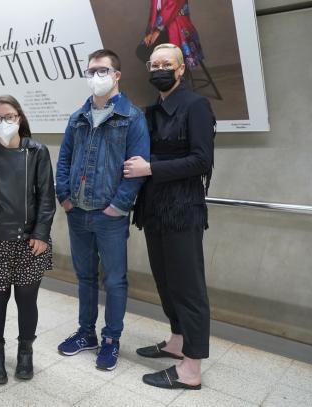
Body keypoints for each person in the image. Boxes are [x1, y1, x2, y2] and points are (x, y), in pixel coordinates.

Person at [125, 43, 215, 390]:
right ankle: (178, 341)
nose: (159, 68)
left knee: (189, 288)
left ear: (181, 69)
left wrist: (152, 167)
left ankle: (191, 370)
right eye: (154, 63)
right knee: (165, 281)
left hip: (183, 210)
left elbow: (201, 160)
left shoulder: (196, 106)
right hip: (154, 210)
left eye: (167, 63)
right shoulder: (150, 111)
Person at [55, 49, 150, 371]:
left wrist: (118, 206)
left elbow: (136, 167)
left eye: (102, 70)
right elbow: (65, 158)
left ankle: (111, 338)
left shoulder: (132, 118)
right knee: (84, 277)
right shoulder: (77, 117)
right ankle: (87, 333)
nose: (96, 76)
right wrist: (64, 197)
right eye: (91, 70)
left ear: (116, 75)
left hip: (110, 215)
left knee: (115, 280)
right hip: (78, 211)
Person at [0, 95, 56, 384]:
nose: (3, 122)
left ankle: (25, 353)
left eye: (9, 116)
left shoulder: (37, 152)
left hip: (32, 242)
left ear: (19, 117)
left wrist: (42, 233)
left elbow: (46, 196)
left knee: (27, 300)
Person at [136, 0, 204, 69]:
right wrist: (150, 32)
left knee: (155, 52)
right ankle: (165, 74)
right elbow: (153, 12)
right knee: (142, 50)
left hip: (177, 25)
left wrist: (158, 30)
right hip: (160, 26)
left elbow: (171, 7)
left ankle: (170, 74)